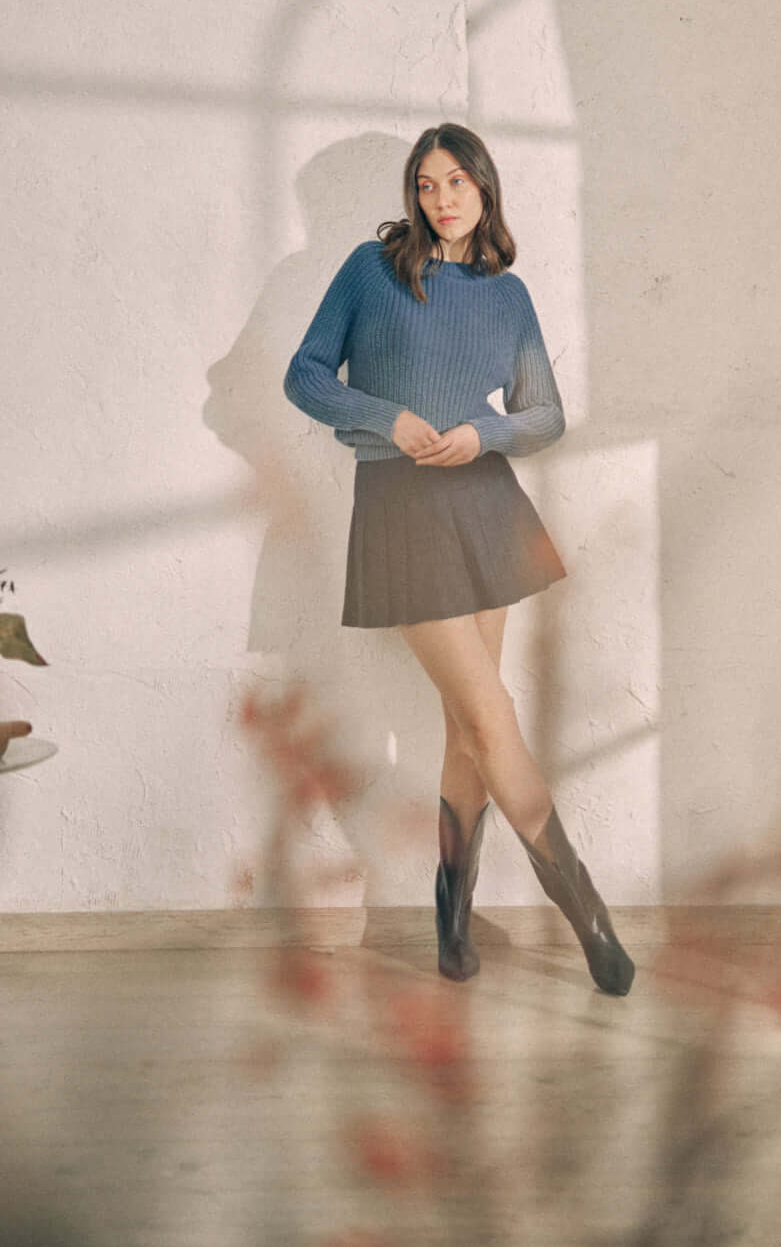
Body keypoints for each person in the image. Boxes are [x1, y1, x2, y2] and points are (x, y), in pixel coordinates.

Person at [284, 123, 634, 996]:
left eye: (457, 184)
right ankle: (588, 913)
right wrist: (384, 419)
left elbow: (545, 415)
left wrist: (485, 432)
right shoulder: (374, 272)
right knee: (491, 717)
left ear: (486, 189)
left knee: (466, 732)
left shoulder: (506, 295)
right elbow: (304, 374)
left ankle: (451, 912)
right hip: (400, 510)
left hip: (486, 508)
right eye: (427, 185)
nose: (442, 200)